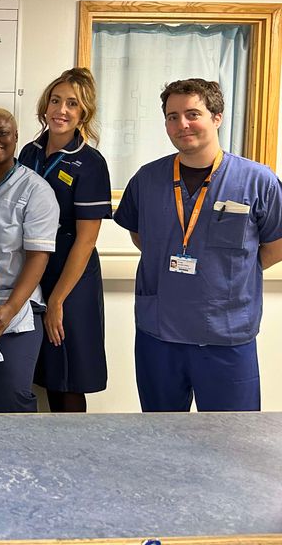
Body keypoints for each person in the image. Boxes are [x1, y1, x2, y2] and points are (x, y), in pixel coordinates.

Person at [114, 79, 282, 412]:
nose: (182, 124)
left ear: (217, 117)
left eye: (193, 114)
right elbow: (142, 236)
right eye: (172, 116)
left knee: (230, 441)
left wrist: (231, 276)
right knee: (162, 436)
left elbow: (275, 246)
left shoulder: (258, 180)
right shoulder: (147, 179)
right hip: (158, 334)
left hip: (226, 337)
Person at [19, 68, 112, 413]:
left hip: (70, 276)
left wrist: (57, 300)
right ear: (45, 106)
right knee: (38, 367)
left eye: (72, 104)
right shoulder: (28, 153)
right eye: (56, 100)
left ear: (83, 113)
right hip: (32, 269)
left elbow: (86, 241)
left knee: (68, 373)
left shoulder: (89, 162)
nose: (61, 110)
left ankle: (74, 455)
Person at [0, 108, 59, 413]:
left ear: (16, 137)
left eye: (2, 133)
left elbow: (37, 258)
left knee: (9, 395)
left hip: (14, 307)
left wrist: (8, 310)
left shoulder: (36, 190)